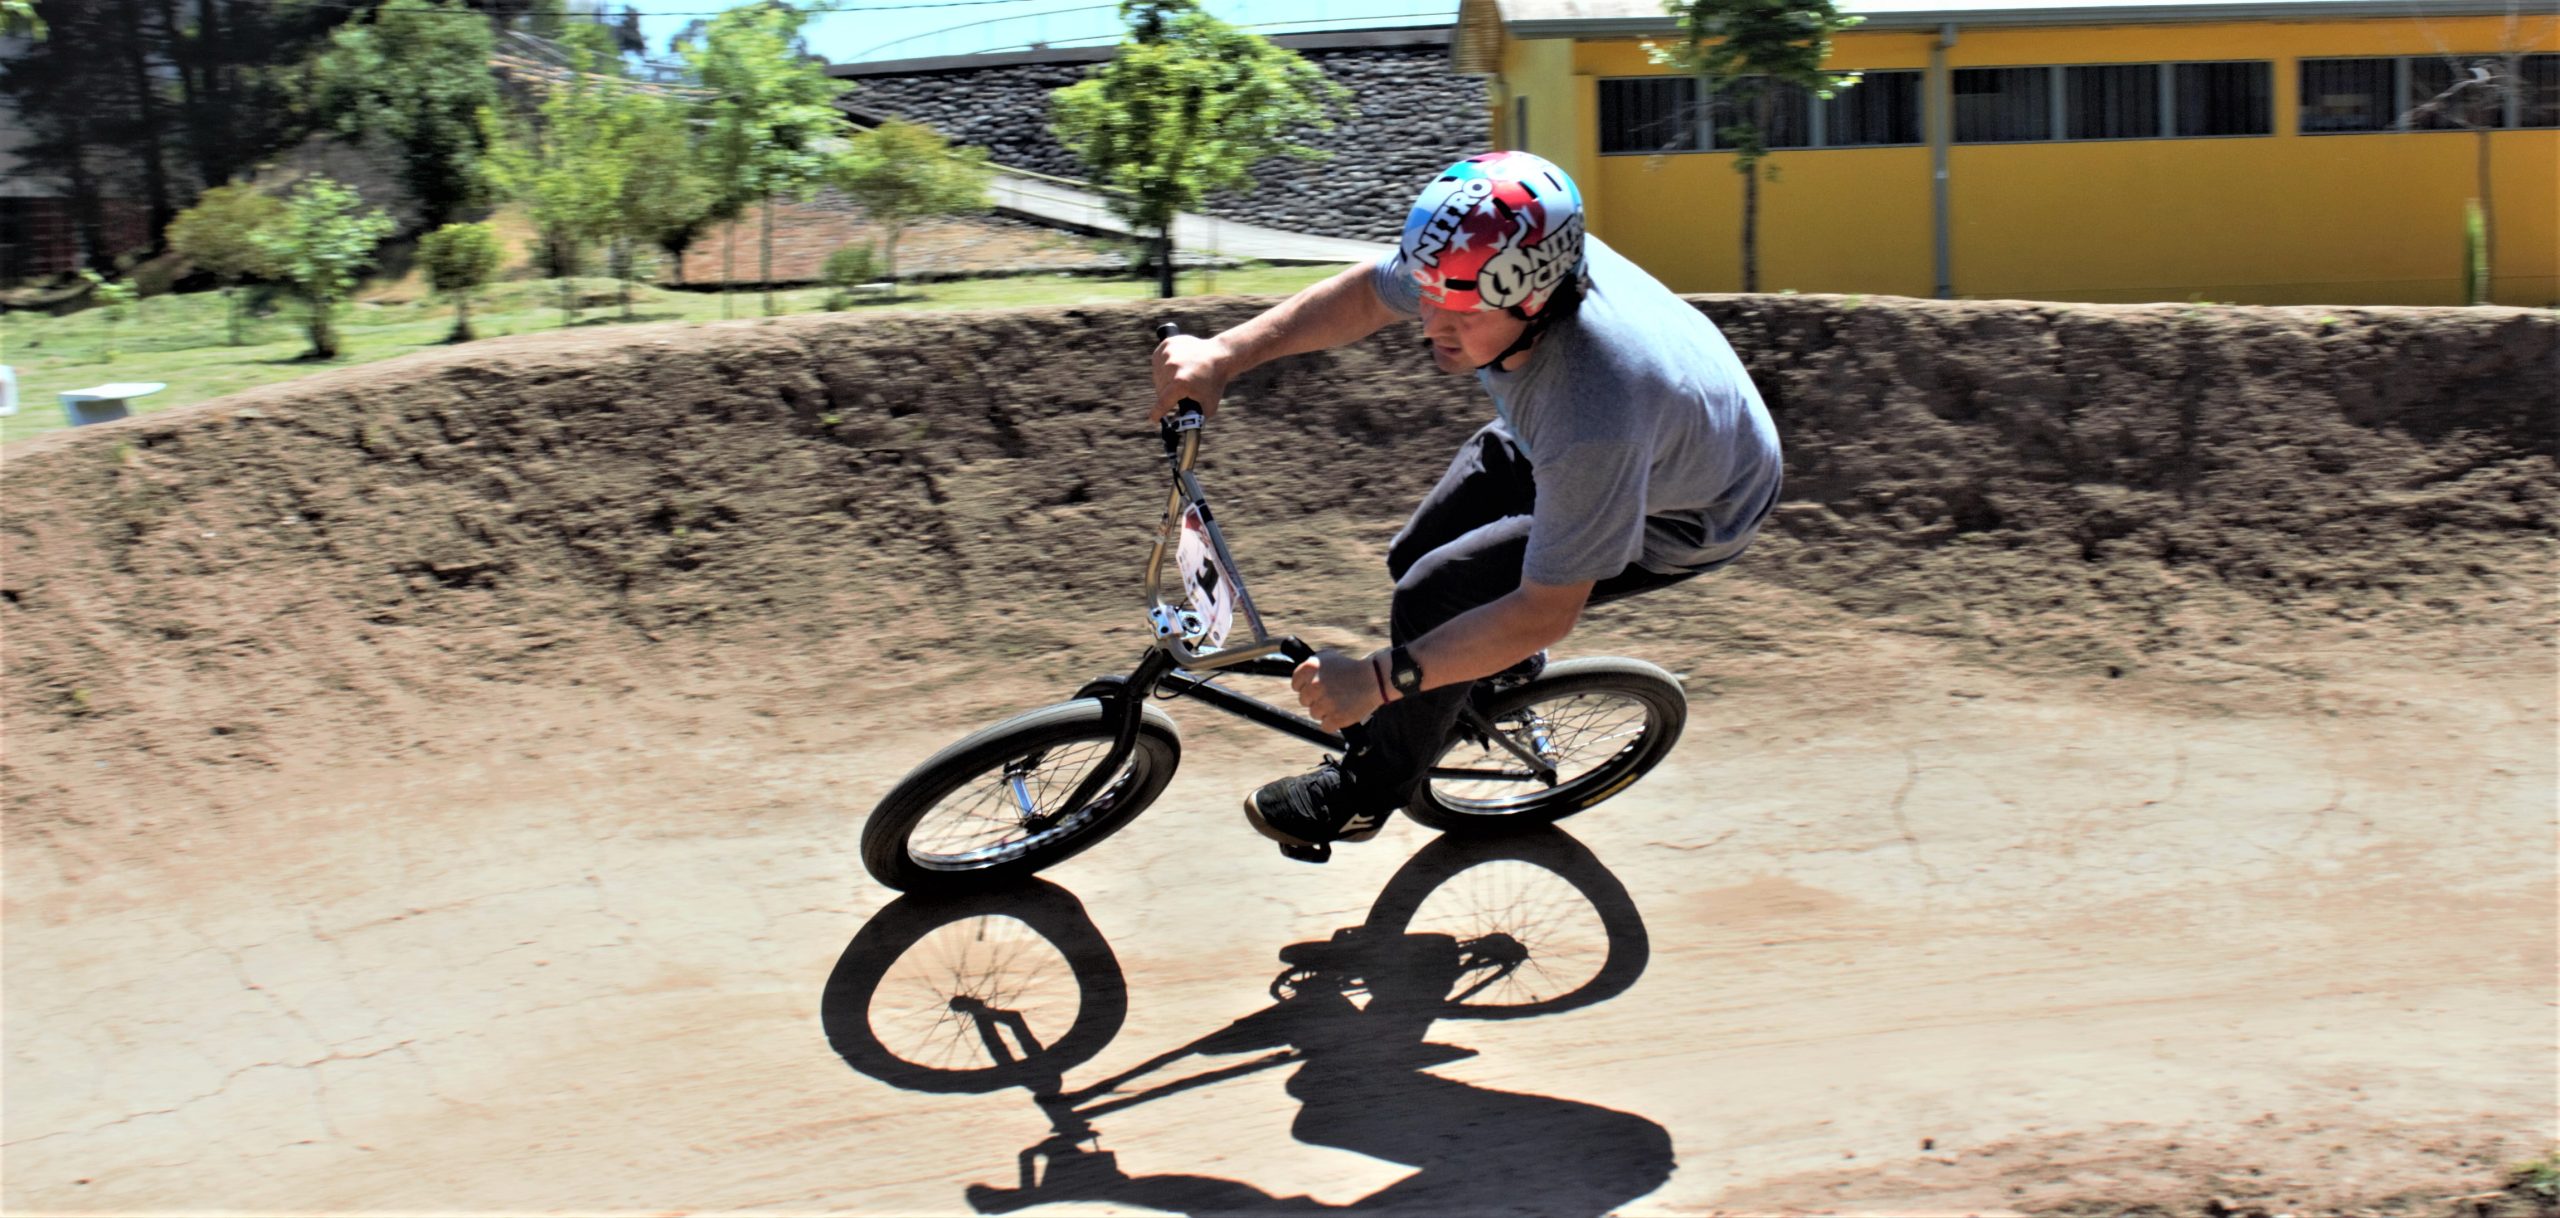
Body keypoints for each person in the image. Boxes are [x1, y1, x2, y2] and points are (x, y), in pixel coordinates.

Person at [1150, 150, 1783, 850]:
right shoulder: (1492, 257)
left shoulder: (1591, 410)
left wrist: (1374, 680)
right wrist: (1223, 356)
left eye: (1464, 313)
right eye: (1428, 299)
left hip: (1686, 505)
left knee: (1436, 600)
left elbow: (1547, 610)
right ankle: (1480, 678)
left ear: (1535, 299)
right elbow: (1366, 293)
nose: (1432, 327)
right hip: (1608, 438)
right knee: (1415, 557)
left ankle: (1367, 794)